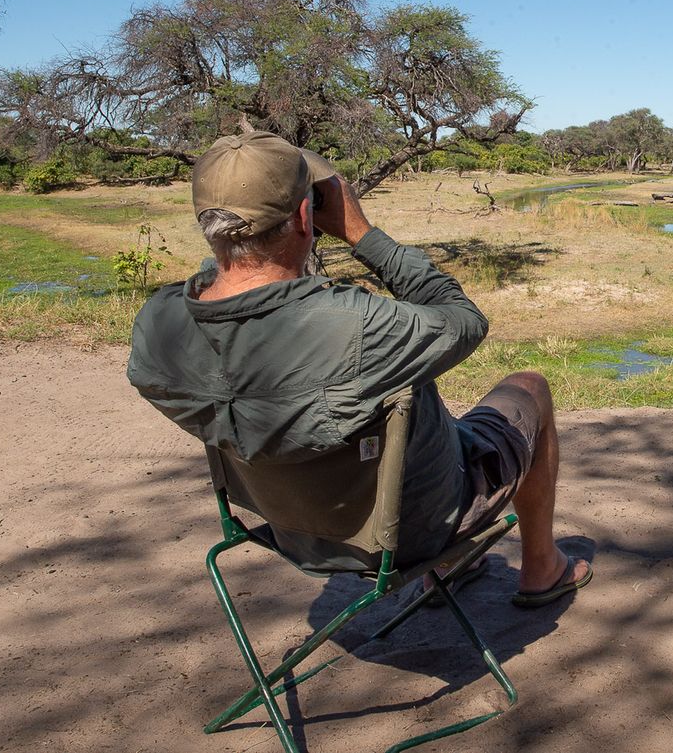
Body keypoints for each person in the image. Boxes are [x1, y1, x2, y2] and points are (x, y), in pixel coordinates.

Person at [127, 131, 591, 607]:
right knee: (529, 387)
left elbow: (228, 298)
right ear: (306, 217)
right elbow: (466, 322)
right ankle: (541, 568)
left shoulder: (159, 325)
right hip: (406, 535)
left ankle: (454, 568)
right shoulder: (358, 325)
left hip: (285, 526)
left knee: (410, 403)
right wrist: (362, 234)